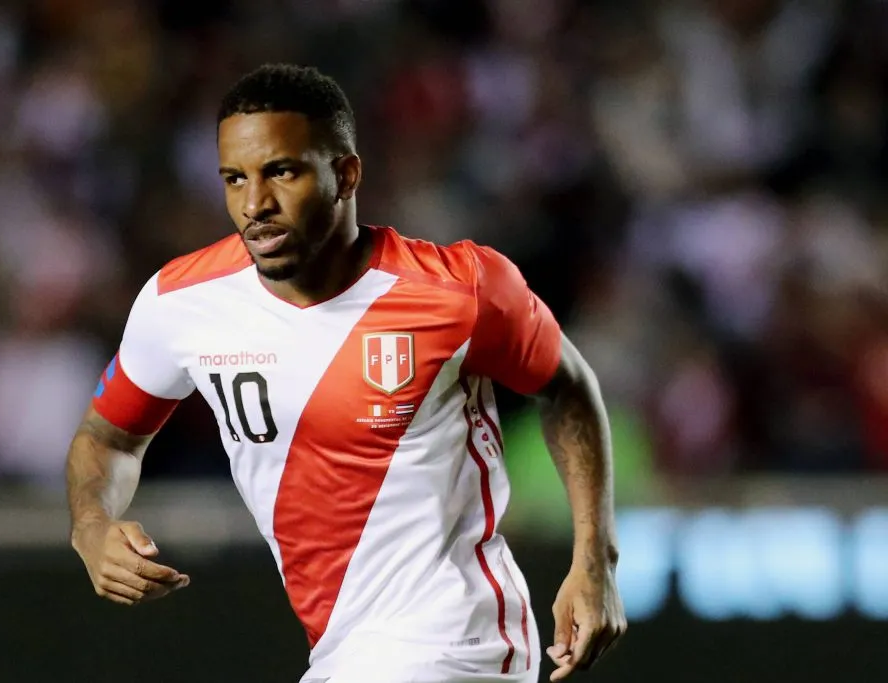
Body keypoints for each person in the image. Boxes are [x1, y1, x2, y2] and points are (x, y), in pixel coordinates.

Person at [66, 63, 626, 683]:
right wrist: (91, 525)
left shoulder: (459, 290)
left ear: (347, 174)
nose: (255, 205)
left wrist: (594, 560)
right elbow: (107, 438)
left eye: (282, 171)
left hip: (458, 642)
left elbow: (567, 388)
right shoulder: (181, 303)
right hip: (343, 650)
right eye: (234, 179)